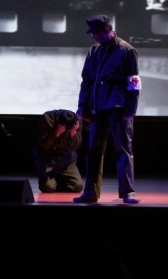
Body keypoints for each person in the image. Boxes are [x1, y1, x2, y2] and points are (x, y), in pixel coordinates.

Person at [74, 14, 141, 204]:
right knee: (94, 150)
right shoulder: (94, 51)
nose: (94, 36)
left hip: (118, 106)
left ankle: (128, 192)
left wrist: (131, 109)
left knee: (123, 149)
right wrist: (83, 107)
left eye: (96, 33)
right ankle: (90, 192)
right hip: (97, 106)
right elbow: (87, 81)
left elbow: (133, 82)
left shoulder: (127, 50)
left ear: (107, 31)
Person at [33, 109, 84, 193]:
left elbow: (76, 146)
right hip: (48, 158)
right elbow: (44, 145)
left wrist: (73, 134)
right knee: (48, 188)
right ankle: (51, 178)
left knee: (77, 186)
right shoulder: (47, 118)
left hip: (67, 158)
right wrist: (56, 133)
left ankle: (59, 179)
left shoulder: (76, 121)